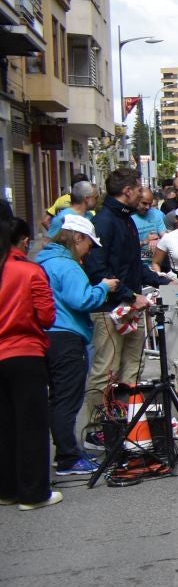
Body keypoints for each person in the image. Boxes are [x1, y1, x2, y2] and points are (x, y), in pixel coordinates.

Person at [83, 168, 171, 433]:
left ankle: (127, 422)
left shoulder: (127, 220)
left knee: (134, 365)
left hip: (132, 305)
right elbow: (98, 271)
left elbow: (133, 266)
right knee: (106, 370)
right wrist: (129, 295)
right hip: (110, 308)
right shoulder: (104, 222)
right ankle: (96, 429)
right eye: (139, 188)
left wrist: (164, 280)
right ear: (128, 191)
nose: (143, 194)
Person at [37, 217, 115, 480]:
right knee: (67, 400)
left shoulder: (43, 262)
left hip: (46, 336)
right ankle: (68, 457)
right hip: (67, 337)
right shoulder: (66, 266)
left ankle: (66, 452)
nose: (90, 250)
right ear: (77, 238)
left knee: (57, 398)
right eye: (89, 244)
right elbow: (81, 300)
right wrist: (104, 287)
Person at [1, 215, 60, 508]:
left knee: (4, 424)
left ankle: (6, 489)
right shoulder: (28, 271)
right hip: (24, 352)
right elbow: (47, 316)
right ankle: (33, 493)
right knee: (32, 425)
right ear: (25, 241)